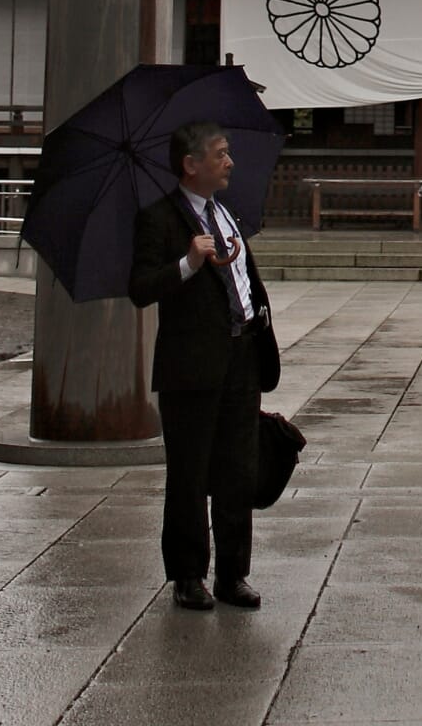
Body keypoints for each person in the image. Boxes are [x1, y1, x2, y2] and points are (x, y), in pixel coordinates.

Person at [128, 119, 280, 613]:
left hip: (241, 355)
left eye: (228, 152)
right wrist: (188, 263)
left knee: (239, 468)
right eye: (219, 154)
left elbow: (241, 279)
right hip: (190, 363)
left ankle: (233, 575)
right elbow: (141, 287)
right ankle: (188, 575)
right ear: (191, 164)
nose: (229, 161)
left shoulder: (226, 214)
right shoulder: (160, 219)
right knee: (190, 473)